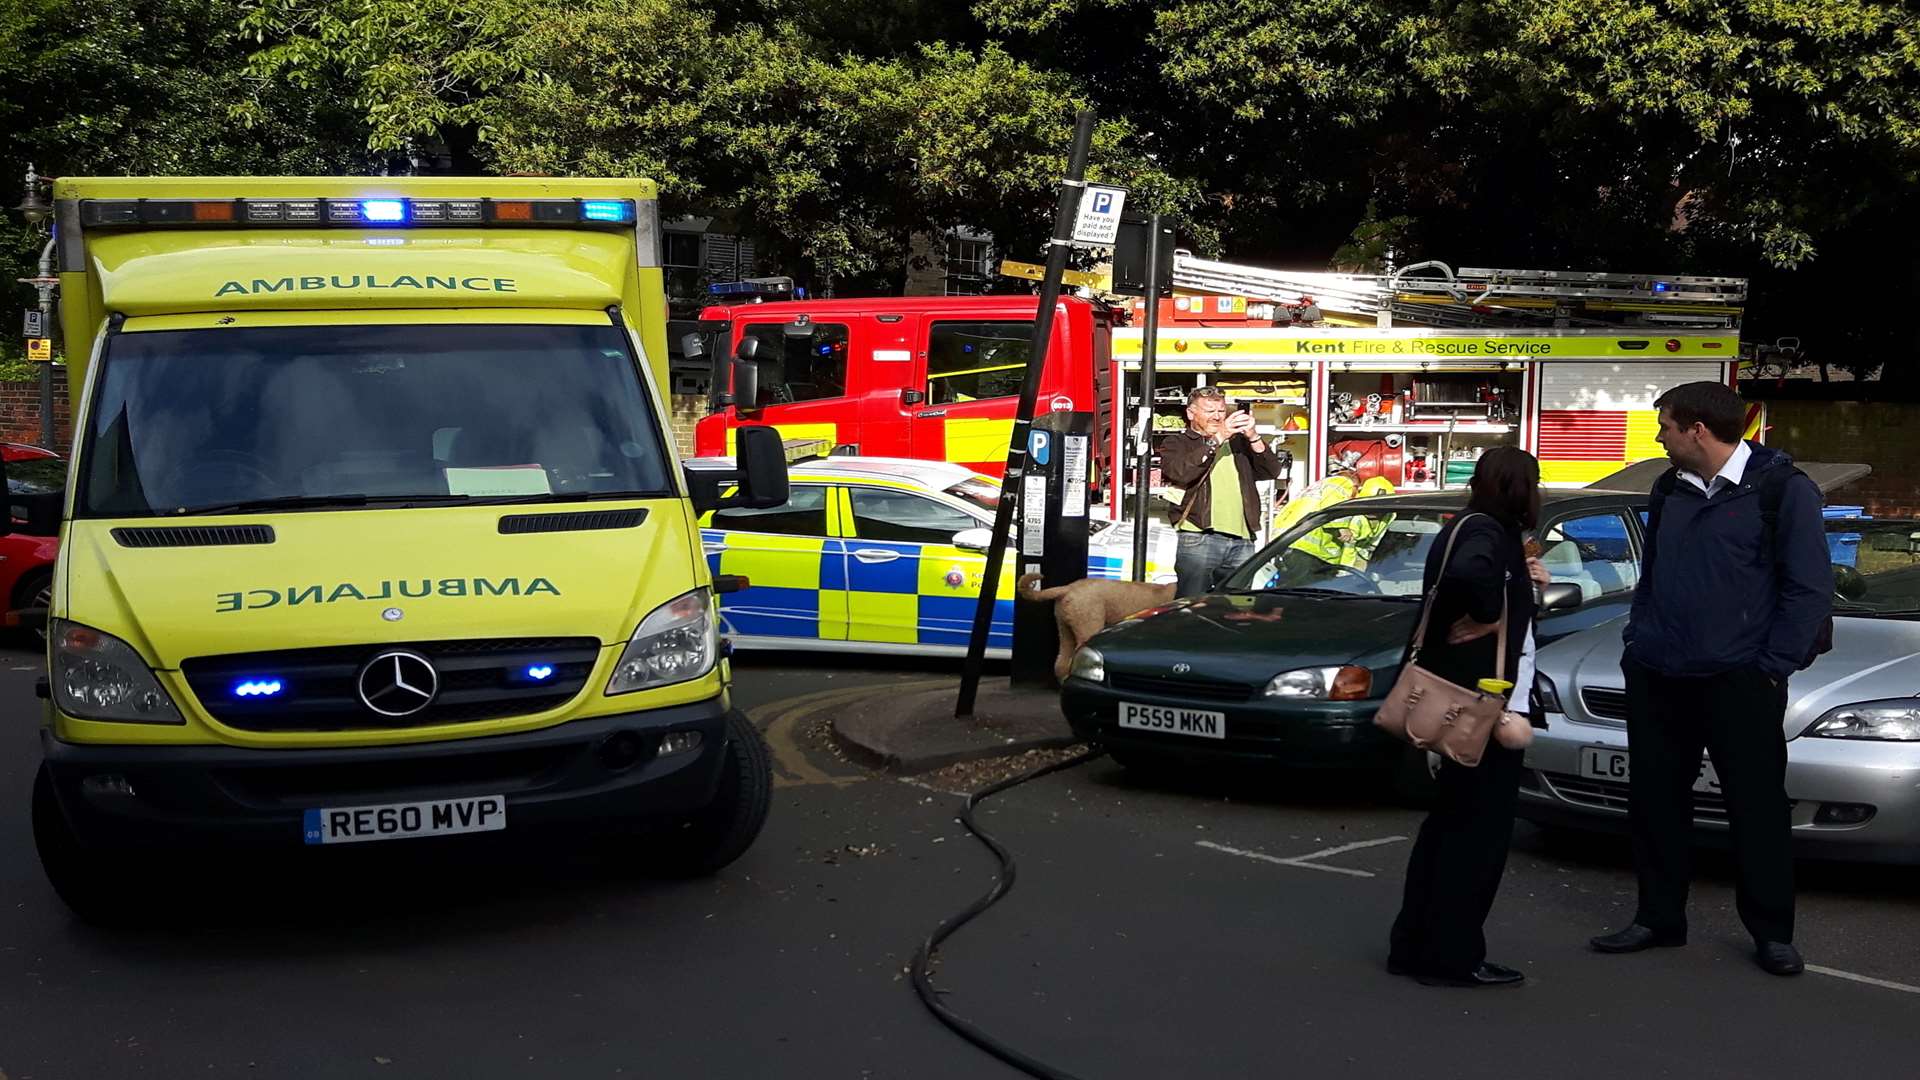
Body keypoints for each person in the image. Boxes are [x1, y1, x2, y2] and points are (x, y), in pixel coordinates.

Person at [1591, 382, 1831, 978]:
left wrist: (1770, 668)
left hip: (1739, 680)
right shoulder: (1667, 488)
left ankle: (1772, 933)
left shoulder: (1781, 490)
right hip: (1658, 674)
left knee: (1756, 810)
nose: (1659, 437)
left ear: (1698, 429)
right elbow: (1652, 577)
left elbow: (1808, 591)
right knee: (1654, 804)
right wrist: (1637, 643)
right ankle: (1658, 918)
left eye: (1665, 426)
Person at [1388, 446, 1551, 988]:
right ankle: (1452, 956)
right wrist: (1493, 610)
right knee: (1475, 838)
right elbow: (1470, 577)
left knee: (1448, 829)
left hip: (1459, 700)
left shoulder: (1470, 524)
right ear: (1521, 488)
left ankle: (1414, 946)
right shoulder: (1488, 532)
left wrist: (1517, 584)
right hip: (1483, 708)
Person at [1158, 387, 1288, 597]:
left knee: (1237, 607)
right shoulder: (1177, 443)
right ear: (1191, 413)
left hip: (1242, 539)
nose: (1217, 417)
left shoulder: (1237, 443)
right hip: (1199, 536)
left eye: (1221, 411)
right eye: (1210, 411)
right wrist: (1218, 438)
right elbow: (1180, 472)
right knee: (1191, 604)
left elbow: (1272, 470)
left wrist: (1253, 436)